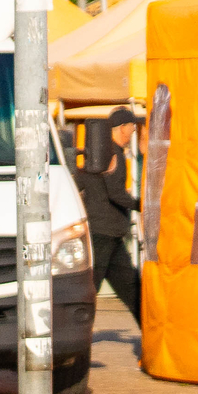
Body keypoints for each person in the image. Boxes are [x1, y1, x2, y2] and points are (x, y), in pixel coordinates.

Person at [78, 106, 142, 317]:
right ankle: (73, 339)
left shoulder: (98, 152)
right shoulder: (114, 154)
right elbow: (115, 193)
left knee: (132, 289)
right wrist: (140, 205)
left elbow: (83, 180)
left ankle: (152, 339)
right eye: (131, 128)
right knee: (90, 291)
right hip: (103, 235)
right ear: (121, 127)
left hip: (109, 234)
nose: (132, 132)